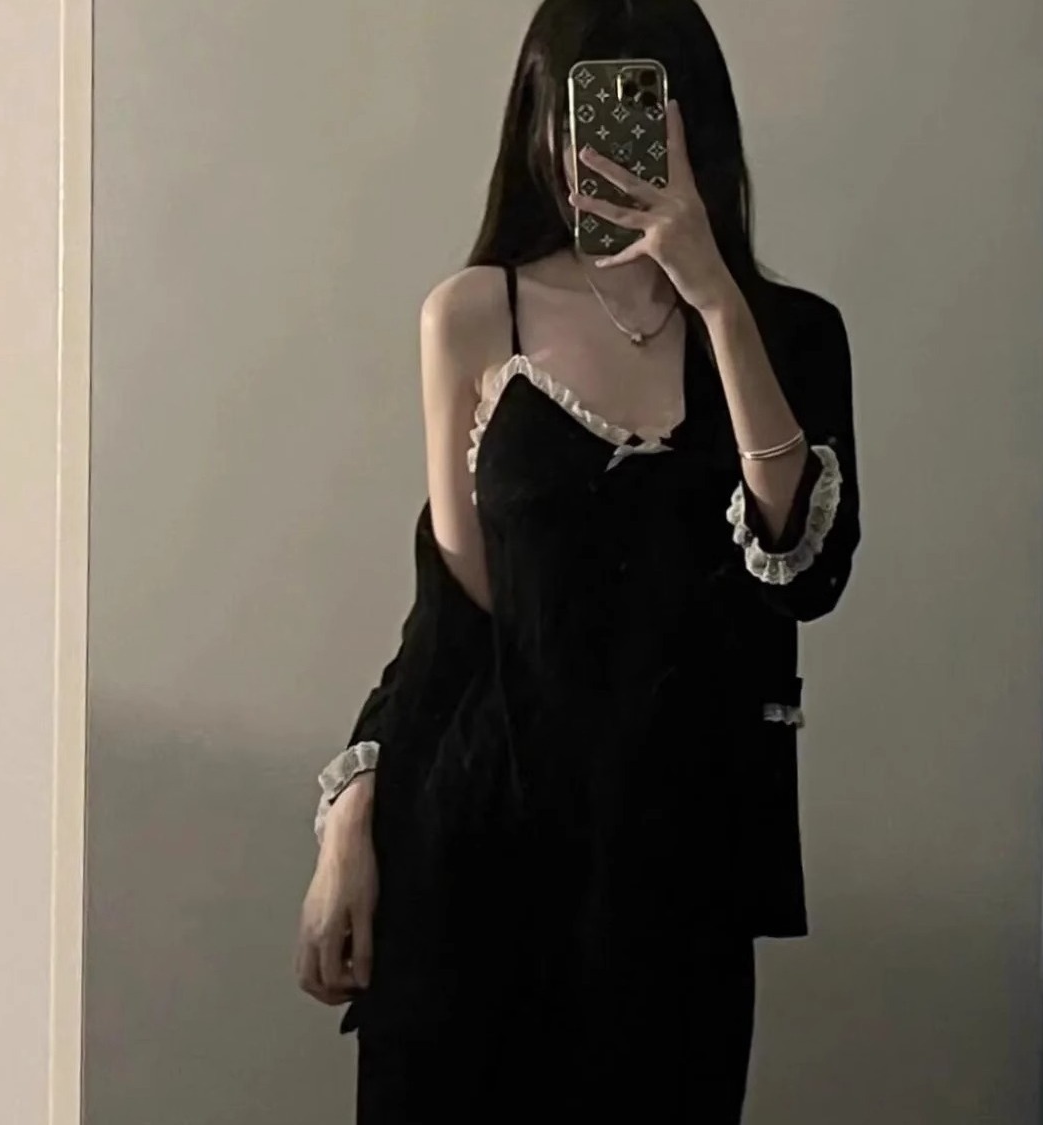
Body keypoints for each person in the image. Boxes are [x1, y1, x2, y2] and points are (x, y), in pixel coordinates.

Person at [296, 0, 860, 1121]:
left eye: (638, 108)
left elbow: (805, 568)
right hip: (470, 860)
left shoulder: (792, 333)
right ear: (538, 125)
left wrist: (714, 296)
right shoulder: (474, 316)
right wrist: (350, 813)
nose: (598, 146)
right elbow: (455, 611)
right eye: (574, 110)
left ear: (694, 124)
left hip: (678, 876)